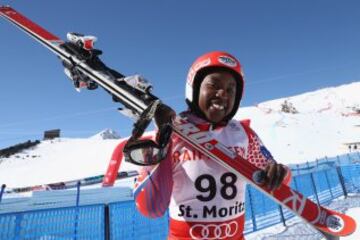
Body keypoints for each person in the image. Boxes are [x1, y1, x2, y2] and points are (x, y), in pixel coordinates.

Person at [132, 51, 291, 240]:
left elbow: (278, 180)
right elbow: (150, 207)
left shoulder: (243, 134)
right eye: (213, 85)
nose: (223, 93)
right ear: (194, 89)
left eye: (231, 89)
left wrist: (279, 173)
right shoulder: (172, 133)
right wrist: (163, 143)